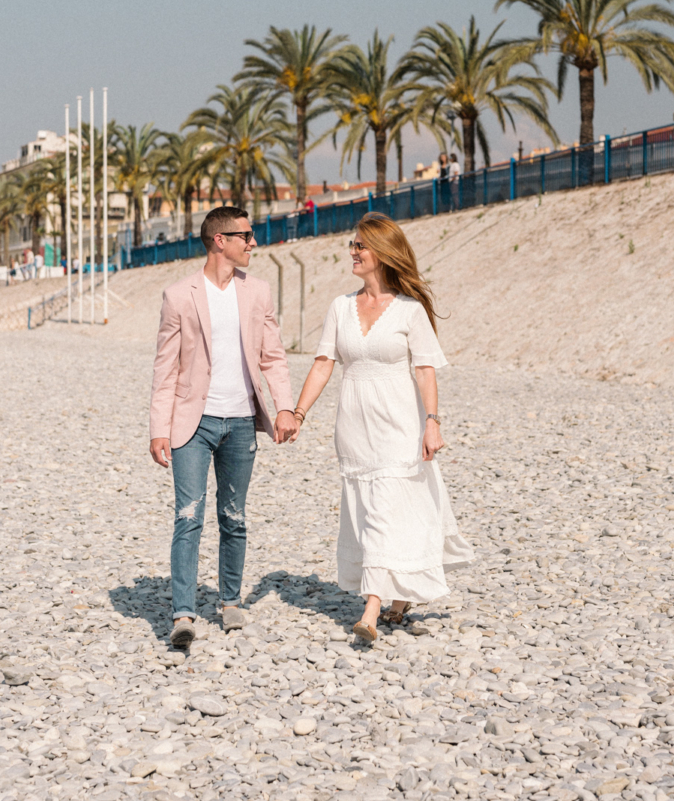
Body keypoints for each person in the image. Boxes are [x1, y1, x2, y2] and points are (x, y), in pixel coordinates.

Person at [289, 211, 472, 642]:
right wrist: (297, 414)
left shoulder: (410, 311)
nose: (352, 252)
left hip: (399, 422)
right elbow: (322, 364)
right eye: (352, 244)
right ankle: (398, 595)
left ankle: (370, 609)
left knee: (386, 507)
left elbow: (426, 370)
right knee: (369, 508)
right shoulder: (340, 306)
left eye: (360, 245)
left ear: (383, 254)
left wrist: (432, 423)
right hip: (354, 424)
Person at [149, 205, 297, 644]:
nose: (254, 243)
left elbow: (273, 356)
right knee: (188, 517)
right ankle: (183, 614)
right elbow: (166, 369)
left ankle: (230, 602)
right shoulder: (179, 295)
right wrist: (159, 427)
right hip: (192, 424)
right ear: (220, 240)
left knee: (234, 517)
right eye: (246, 236)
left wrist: (284, 407)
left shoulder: (259, 292)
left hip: (241, 421)